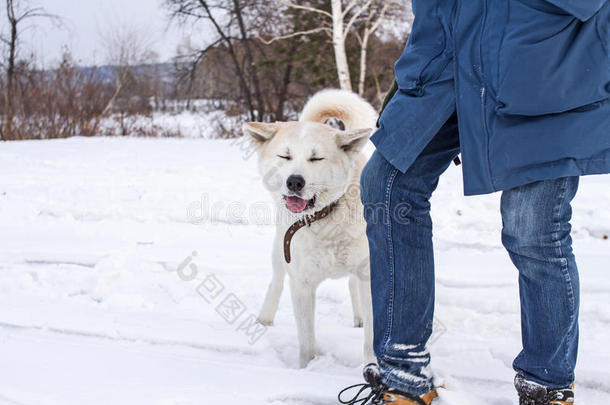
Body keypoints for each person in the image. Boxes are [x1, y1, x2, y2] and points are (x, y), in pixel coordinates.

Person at [339, 1, 610, 404]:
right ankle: (403, 375)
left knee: (532, 228)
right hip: (446, 64)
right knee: (388, 186)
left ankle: (547, 385)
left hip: (546, 66)